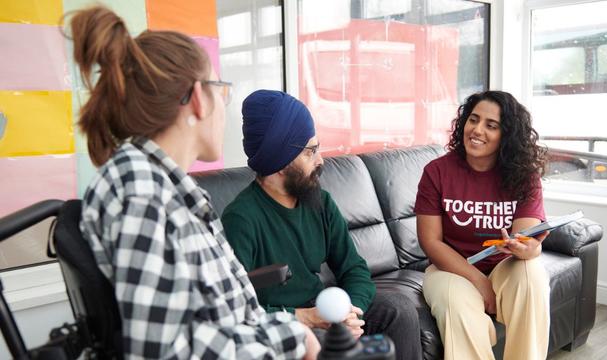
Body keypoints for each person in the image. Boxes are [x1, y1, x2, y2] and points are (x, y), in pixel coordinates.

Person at [72, 6, 319, 359]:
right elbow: (163, 351)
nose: (225, 109)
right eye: (222, 92)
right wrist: (291, 338)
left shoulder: (159, 186)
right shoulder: (142, 192)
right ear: (200, 98)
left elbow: (205, 315)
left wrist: (287, 331)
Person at [221, 89, 422, 360]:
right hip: (286, 325)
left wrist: (351, 311)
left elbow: (354, 268)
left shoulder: (321, 202)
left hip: (327, 311)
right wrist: (304, 318)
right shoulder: (241, 219)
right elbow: (234, 308)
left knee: (398, 308)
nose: (321, 160)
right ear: (280, 161)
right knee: (319, 341)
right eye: (310, 151)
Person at [415, 90, 550, 360]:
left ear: (507, 135)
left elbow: (526, 241)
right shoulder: (436, 172)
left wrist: (530, 250)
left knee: (531, 275)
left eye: (491, 125)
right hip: (450, 269)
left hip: (504, 265)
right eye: (473, 120)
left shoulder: (524, 177)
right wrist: (479, 281)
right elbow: (431, 242)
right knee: (454, 303)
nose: (477, 130)